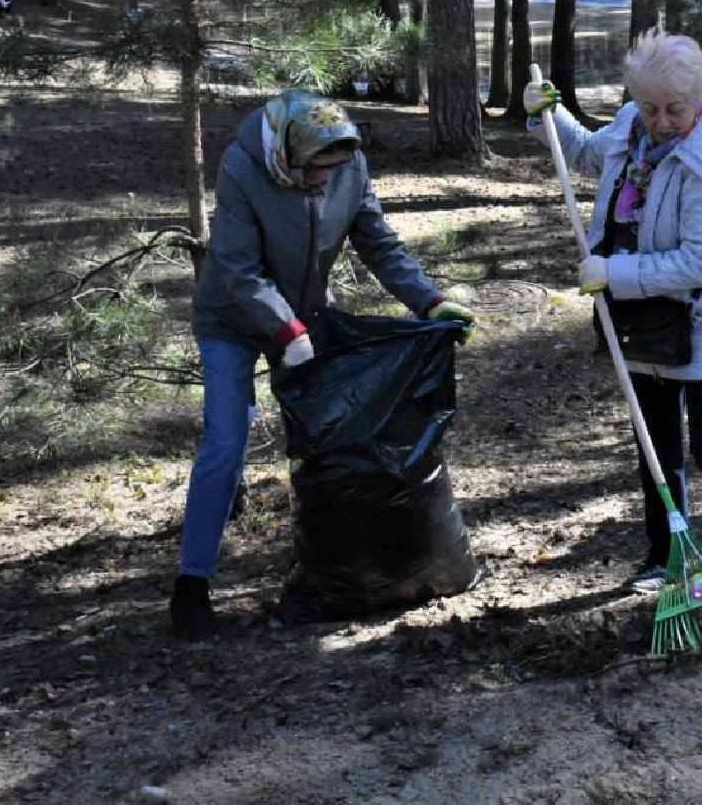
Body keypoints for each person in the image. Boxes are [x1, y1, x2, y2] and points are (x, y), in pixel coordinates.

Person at [173, 89, 477, 640]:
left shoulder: (347, 162)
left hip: (308, 315)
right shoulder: (243, 168)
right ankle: (191, 585)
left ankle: (333, 554)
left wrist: (430, 301)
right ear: (286, 156)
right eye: (314, 173)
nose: (323, 182)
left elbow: (378, 241)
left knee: (330, 441)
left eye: (332, 172)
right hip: (232, 320)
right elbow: (239, 270)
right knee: (226, 438)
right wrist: (285, 330)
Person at [524, 29, 702, 597]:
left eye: (674, 109)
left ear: (701, 99)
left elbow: (696, 262)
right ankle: (666, 556)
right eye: (649, 107)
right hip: (642, 316)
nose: (660, 121)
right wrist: (549, 116)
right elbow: (587, 154)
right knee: (656, 441)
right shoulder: (628, 128)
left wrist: (612, 273)